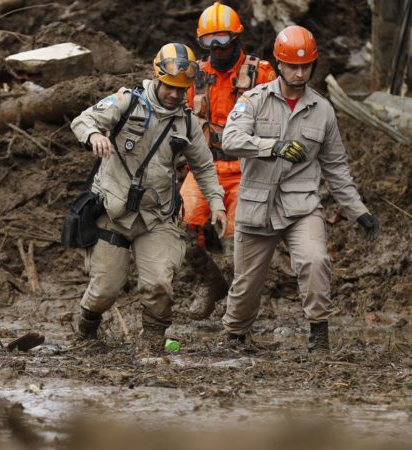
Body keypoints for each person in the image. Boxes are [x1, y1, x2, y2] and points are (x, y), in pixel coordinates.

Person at [220, 25, 379, 352]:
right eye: (293, 65)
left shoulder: (323, 111)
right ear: (278, 64)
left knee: (315, 260)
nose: (299, 72)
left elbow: (336, 167)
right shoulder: (254, 101)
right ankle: (235, 336)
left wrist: (358, 212)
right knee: (247, 282)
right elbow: (230, 140)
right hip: (257, 205)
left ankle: (319, 336)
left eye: (306, 66)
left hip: (301, 206)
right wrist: (271, 147)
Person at [70, 43, 227, 352]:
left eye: (181, 89)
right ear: (157, 77)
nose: (174, 94)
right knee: (104, 289)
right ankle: (86, 330)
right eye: (169, 86)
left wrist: (218, 204)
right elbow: (83, 120)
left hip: (157, 215)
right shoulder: (127, 102)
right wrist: (95, 135)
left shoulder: (187, 123)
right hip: (112, 213)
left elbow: (204, 166)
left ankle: (153, 343)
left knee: (159, 284)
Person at [180, 2, 277, 321]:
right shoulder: (195, 76)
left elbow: (279, 120)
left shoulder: (261, 73)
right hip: (204, 167)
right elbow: (179, 121)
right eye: (209, 41)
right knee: (180, 230)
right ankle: (211, 284)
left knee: (242, 247)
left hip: (247, 169)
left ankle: (240, 314)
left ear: (236, 39)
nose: (217, 48)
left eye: (222, 40)